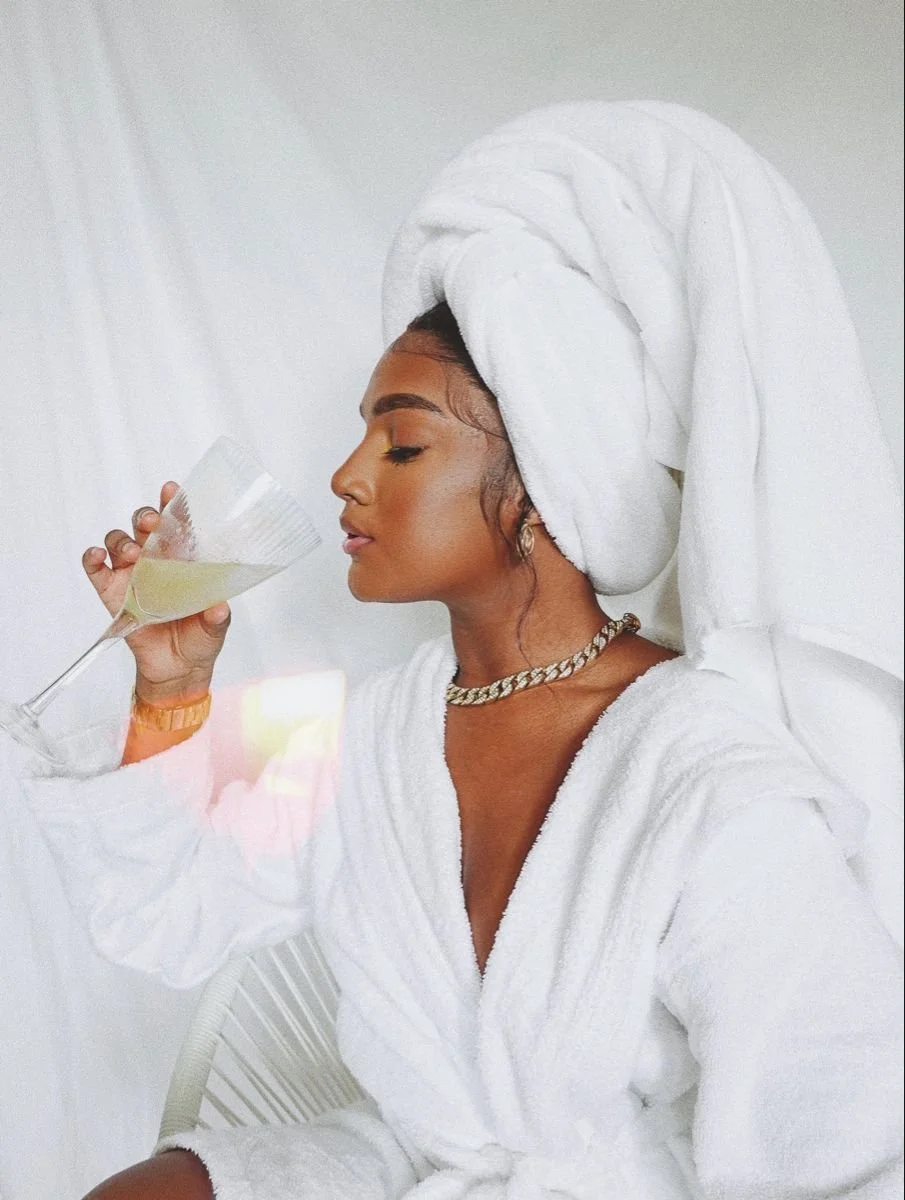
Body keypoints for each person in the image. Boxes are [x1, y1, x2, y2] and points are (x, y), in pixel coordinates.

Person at [22, 103, 903, 1199]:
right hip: (408, 1165)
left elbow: (840, 1138)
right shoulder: (370, 730)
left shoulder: (702, 774)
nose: (345, 476)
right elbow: (169, 916)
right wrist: (171, 683)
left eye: (400, 441)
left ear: (538, 481)